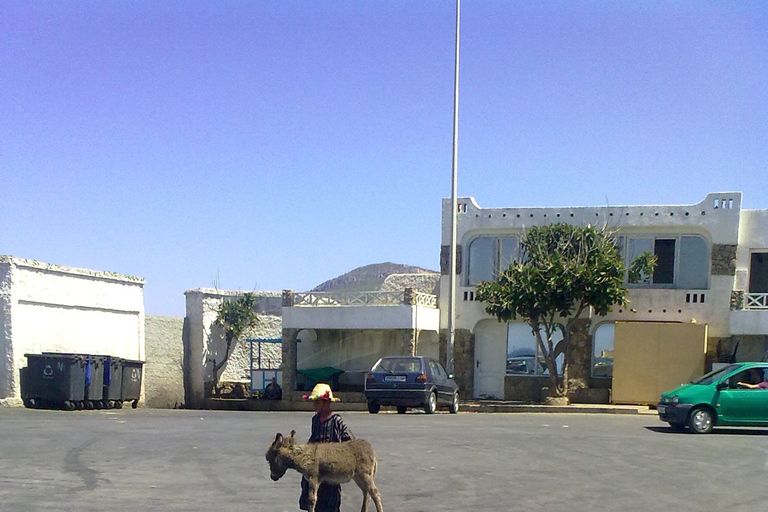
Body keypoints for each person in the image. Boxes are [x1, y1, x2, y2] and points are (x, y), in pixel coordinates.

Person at [299, 383, 353, 512]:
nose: (314, 405)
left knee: (330, 498)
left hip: (331, 466)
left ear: (326, 403)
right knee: (312, 494)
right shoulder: (315, 420)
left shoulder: (336, 421)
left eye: (317, 402)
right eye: (314, 402)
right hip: (316, 466)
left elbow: (348, 443)